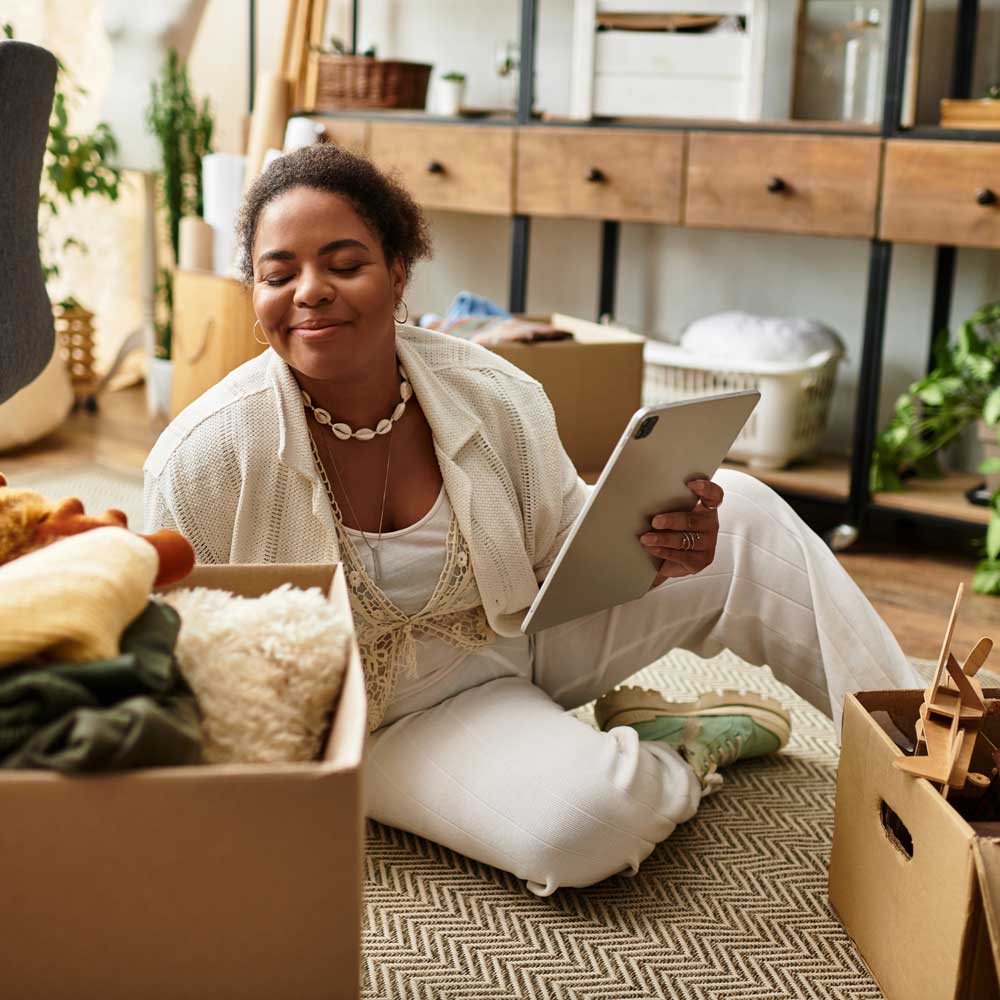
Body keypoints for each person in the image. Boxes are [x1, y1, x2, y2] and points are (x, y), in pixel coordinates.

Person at [144, 144, 921, 896]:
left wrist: (661, 546)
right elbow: (178, 649)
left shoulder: (495, 391)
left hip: (517, 626)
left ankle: (929, 762)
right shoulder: (205, 456)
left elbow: (559, 540)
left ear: (399, 273)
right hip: (383, 714)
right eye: (278, 275)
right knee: (591, 825)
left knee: (747, 511)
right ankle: (678, 744)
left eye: (345, 265)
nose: (309, 291)